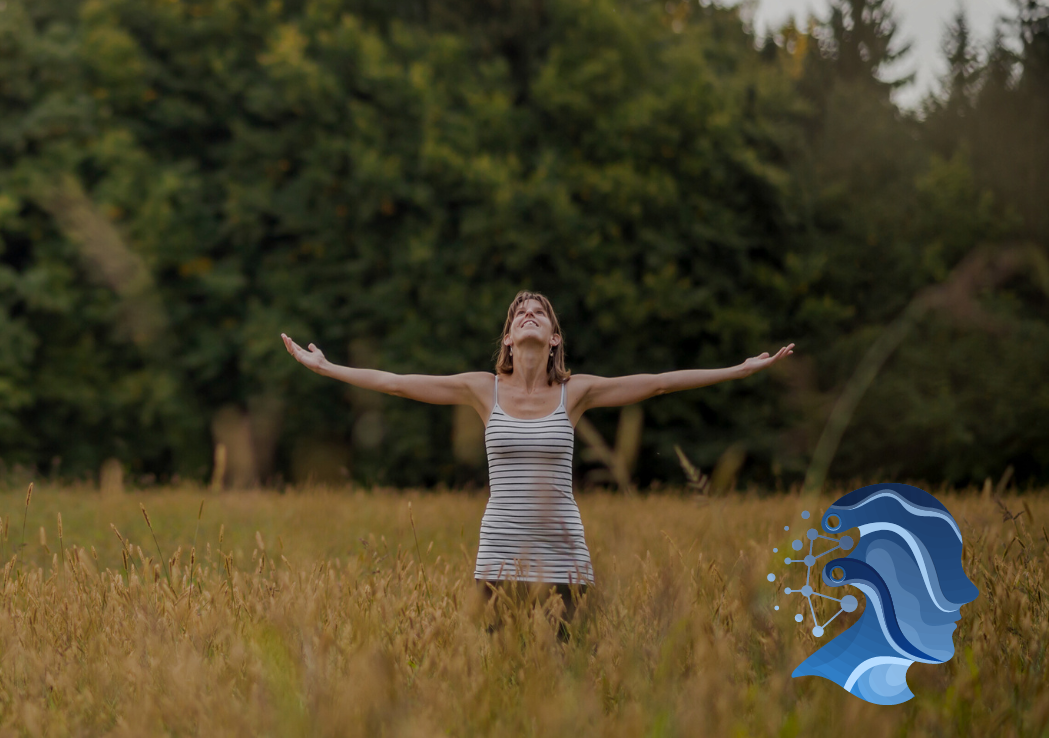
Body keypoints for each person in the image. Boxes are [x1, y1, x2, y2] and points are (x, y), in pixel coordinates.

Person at [281, 290, 794, 627]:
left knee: (566, 683)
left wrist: (737, 371)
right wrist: (327, 368)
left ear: (554, 339)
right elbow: (394, 383)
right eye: (518, 312)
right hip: (497, 558)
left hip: (565, 560)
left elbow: (659, 383)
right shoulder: (483, 391)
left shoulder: (577, 393)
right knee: (501, 681)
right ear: (508, 338)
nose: (528, 313)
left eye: (539, 312)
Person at [790, 483, 978, 704]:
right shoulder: (821, 693)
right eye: (944, 572)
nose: (967, 594)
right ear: (883, 576)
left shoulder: (915, 694)